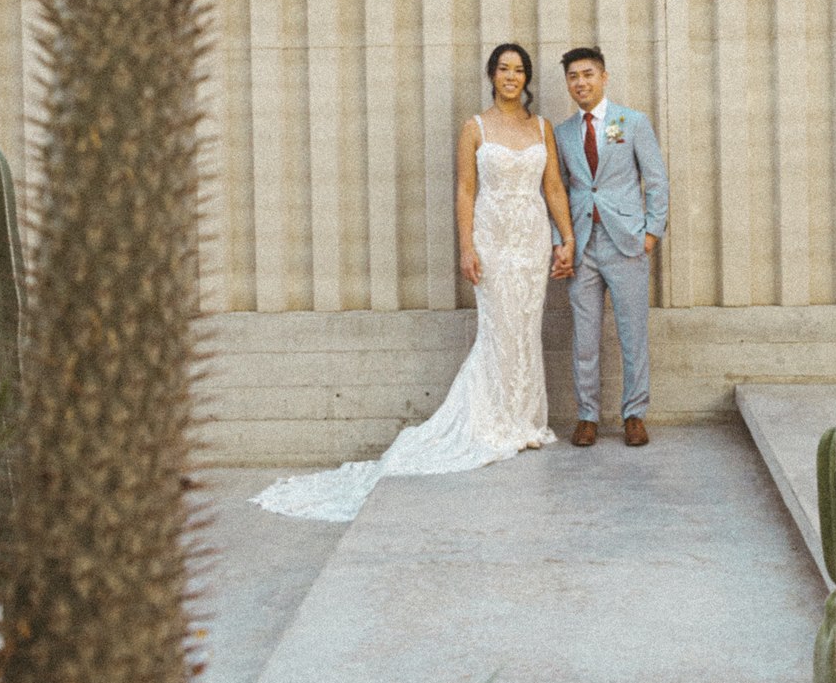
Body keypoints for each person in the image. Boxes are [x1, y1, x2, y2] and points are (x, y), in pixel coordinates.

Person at [251, 43, 575, 523]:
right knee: (499, 327)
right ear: (491, 75)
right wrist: (467, 247)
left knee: (525, 327)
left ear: (526, 78)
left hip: (529, 238)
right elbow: (466, 190)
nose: (512, 77)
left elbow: (552, 187)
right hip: (493, 237)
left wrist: (564, 238)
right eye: (504, 69)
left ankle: (525, 420)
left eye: (519, 70)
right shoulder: (475, 127)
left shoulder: (541, 127)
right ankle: (494, 421)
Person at [553, 47, 668, 448]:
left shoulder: (631, 122)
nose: (580, 82)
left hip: (626, 242)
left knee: (632, 332)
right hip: (583, 245)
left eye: (587, 74)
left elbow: (655, 180)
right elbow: (558, 190)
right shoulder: (563, 132)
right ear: (567, 82)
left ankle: (634, 414)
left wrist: (651, 232)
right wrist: (560, 242)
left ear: (603, 77)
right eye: (573, 77)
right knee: (585, 336)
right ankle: (587, 415)